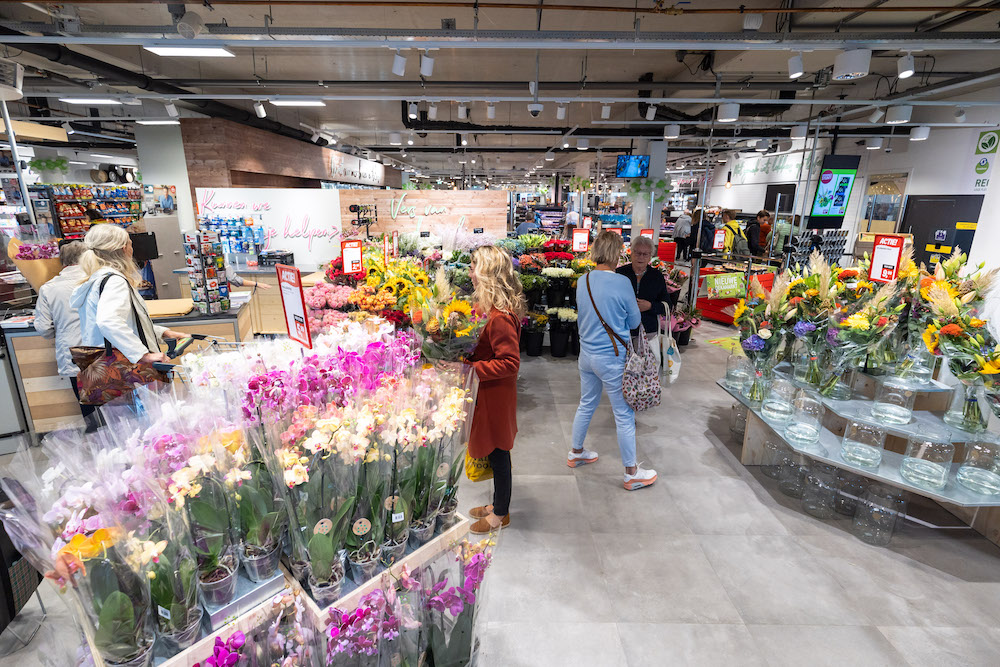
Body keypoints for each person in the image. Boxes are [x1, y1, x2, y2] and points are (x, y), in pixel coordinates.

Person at [569, 231, 657, 491]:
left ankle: (576, 452)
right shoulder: (622, 283)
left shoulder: (583, 280)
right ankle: (631, 473)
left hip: (586, 355)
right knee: (624, 414)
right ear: (615, 253)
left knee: (586, 403)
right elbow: (634, 321)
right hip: (613, 357)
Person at [466, 245, 525, 534]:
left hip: (495, 396)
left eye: (473, 267)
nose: (470, 273)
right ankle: (498, 504)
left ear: (487, 273)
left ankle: (501, 513)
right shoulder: (491, 310)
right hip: (489, 393)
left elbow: (510, 363)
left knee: (499, 452)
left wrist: (470, 369)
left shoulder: (500, 317)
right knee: (495, 451)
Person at [71, 225, 187, 369]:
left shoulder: (95, 280)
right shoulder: (115, 281)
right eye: (131, 244)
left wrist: (163, 333)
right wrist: (143, 355)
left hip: (104, 367)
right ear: (124, 249)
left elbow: (129, 323)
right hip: (127, 369)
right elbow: (108, 322)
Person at [33, 241, 98, 430]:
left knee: (88, 408)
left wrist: (62, 331)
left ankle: (97, 440)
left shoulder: (49, 288)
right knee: (116, 408)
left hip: (73, 354)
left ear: (62, 261)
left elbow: (44, 328)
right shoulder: (98, 281)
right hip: (102, 350)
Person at [617, 234, 670, 369]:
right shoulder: (620, 273)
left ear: (650, 256)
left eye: (645, 254)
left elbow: (667, 305)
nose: (641, 257)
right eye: (637, 253)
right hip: (622, 331)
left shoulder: (656, 276)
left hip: (648, 331)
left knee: (647, 370)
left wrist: (650, 306)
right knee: (622, 370)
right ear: (631, 253)